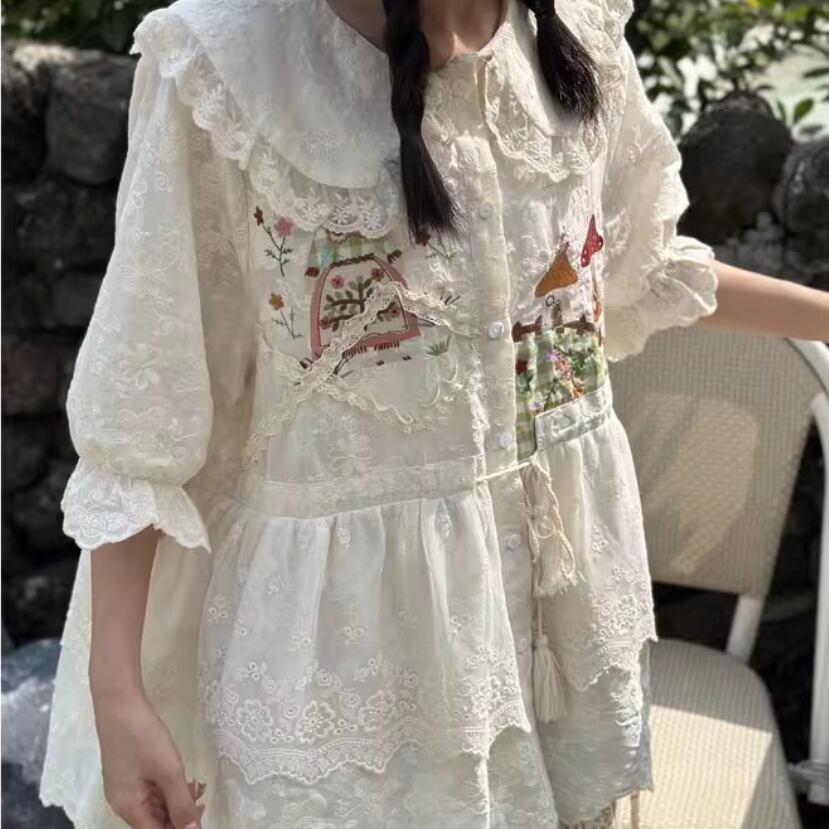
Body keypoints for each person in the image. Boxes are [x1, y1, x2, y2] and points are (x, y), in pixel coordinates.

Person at [38, 0, 829, 827]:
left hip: (555, 635)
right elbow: (145, 410)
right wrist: (116, 690)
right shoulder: (226, 68)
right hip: (347, 676)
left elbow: (637, 271)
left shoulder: (574, 34)